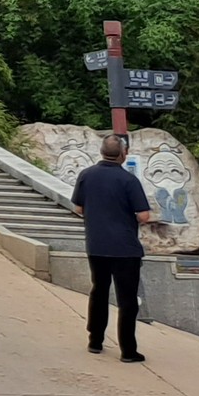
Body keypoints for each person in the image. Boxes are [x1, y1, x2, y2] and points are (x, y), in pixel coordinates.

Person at [70, 133, 156, 361]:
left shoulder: (86, 175)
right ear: (123, 154)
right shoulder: (128, 180)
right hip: (125, 248)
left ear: (101, 151)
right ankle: (128, 350)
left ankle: (95, 341)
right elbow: (144, 215)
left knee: (99, 291)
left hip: (96, 245)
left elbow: (78, 208)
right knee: (127, 299)